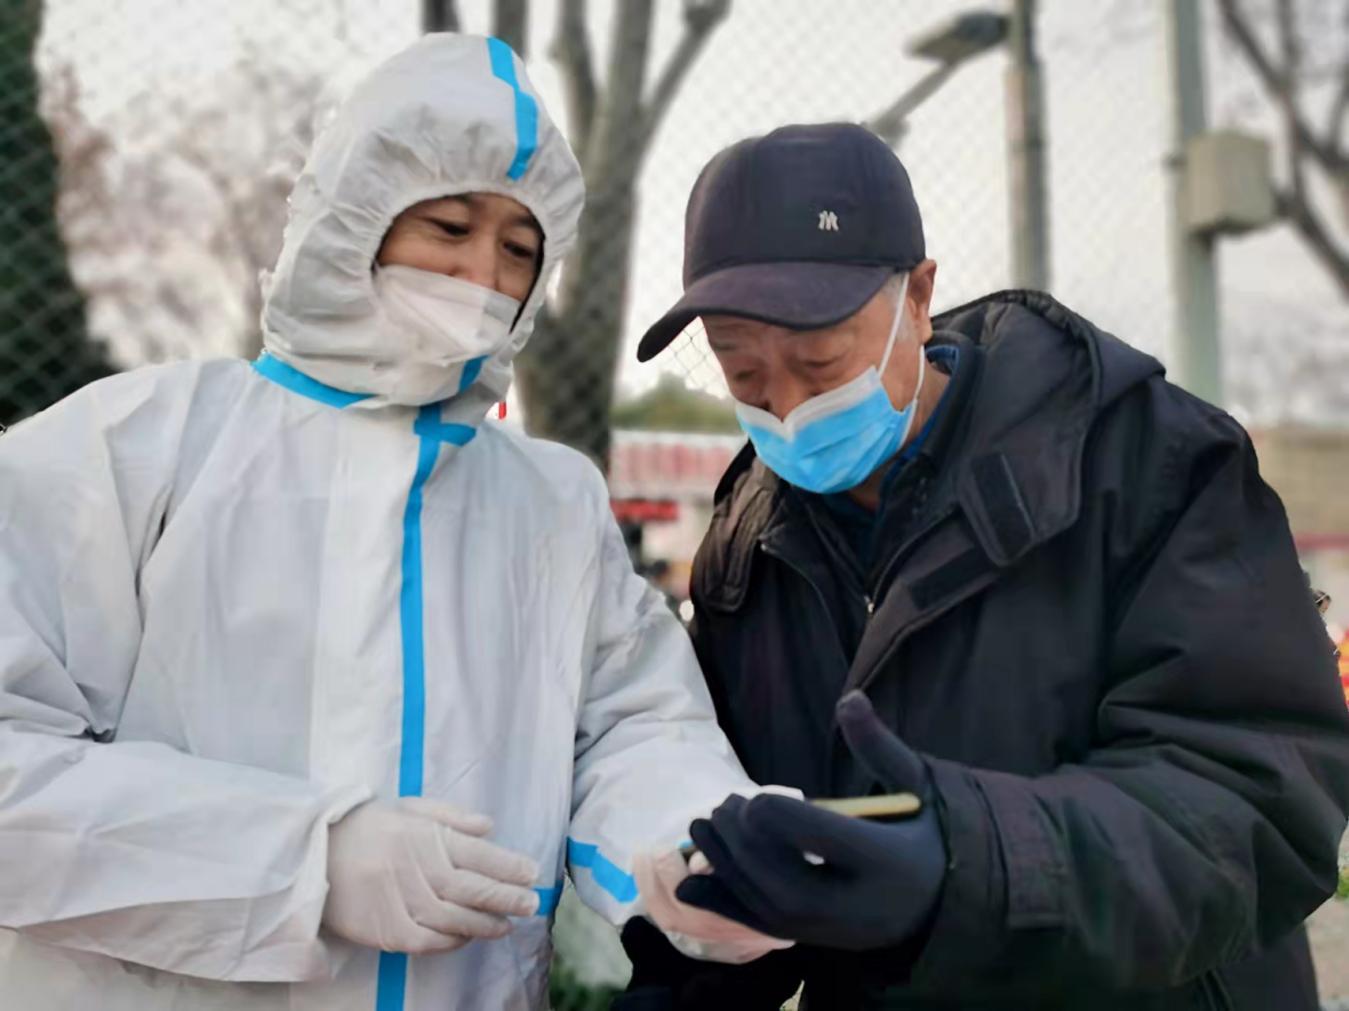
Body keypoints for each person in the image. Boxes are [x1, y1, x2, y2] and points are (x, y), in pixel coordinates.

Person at [0, 34, 778, 1011]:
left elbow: (632, 727)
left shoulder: (551, 505)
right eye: (448, 226)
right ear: (350, 218)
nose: (482, 274)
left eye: (519, 249)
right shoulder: (137, 449)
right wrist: (300, 859)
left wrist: (692, 846)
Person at [619, 122, 1349, 1009]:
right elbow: (749, 836)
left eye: (820, 360)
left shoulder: (1142, 466)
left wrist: (967, 866)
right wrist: (692, 954)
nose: (789, 409)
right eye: (742, 373)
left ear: (918, 297)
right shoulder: (744, 546)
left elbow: (1258, 801)